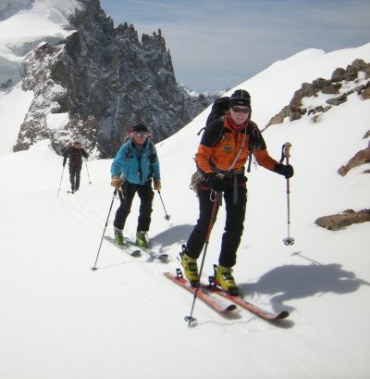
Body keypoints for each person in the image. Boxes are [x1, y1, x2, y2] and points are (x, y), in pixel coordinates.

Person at [180, 89, 294, 294]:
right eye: (236, 109)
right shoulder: (216, 128)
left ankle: (225, 270)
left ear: (250, 111)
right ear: (230, 109)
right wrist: (211, 177)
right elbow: (202, 157)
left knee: (235, 226)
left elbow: (262, 157)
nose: (240, 113)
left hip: (236, 181)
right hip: (211, 179)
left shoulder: (252, 131)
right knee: (207, 221)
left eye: (245, 110)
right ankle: (189, 257)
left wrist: (280, 169)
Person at [110, 123, 161, 248]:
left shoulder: (150, 148)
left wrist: (157, 178)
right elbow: (116, 163)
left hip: (145, 182)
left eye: (144, 134)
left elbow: (155, 164)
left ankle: (141, 232)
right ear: (133, 134)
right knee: (125, 207)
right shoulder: (126, 147)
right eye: (138, 134)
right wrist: (115, 177)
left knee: (147, 207)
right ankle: (118, 229)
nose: (141, 137)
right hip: (128, 182)